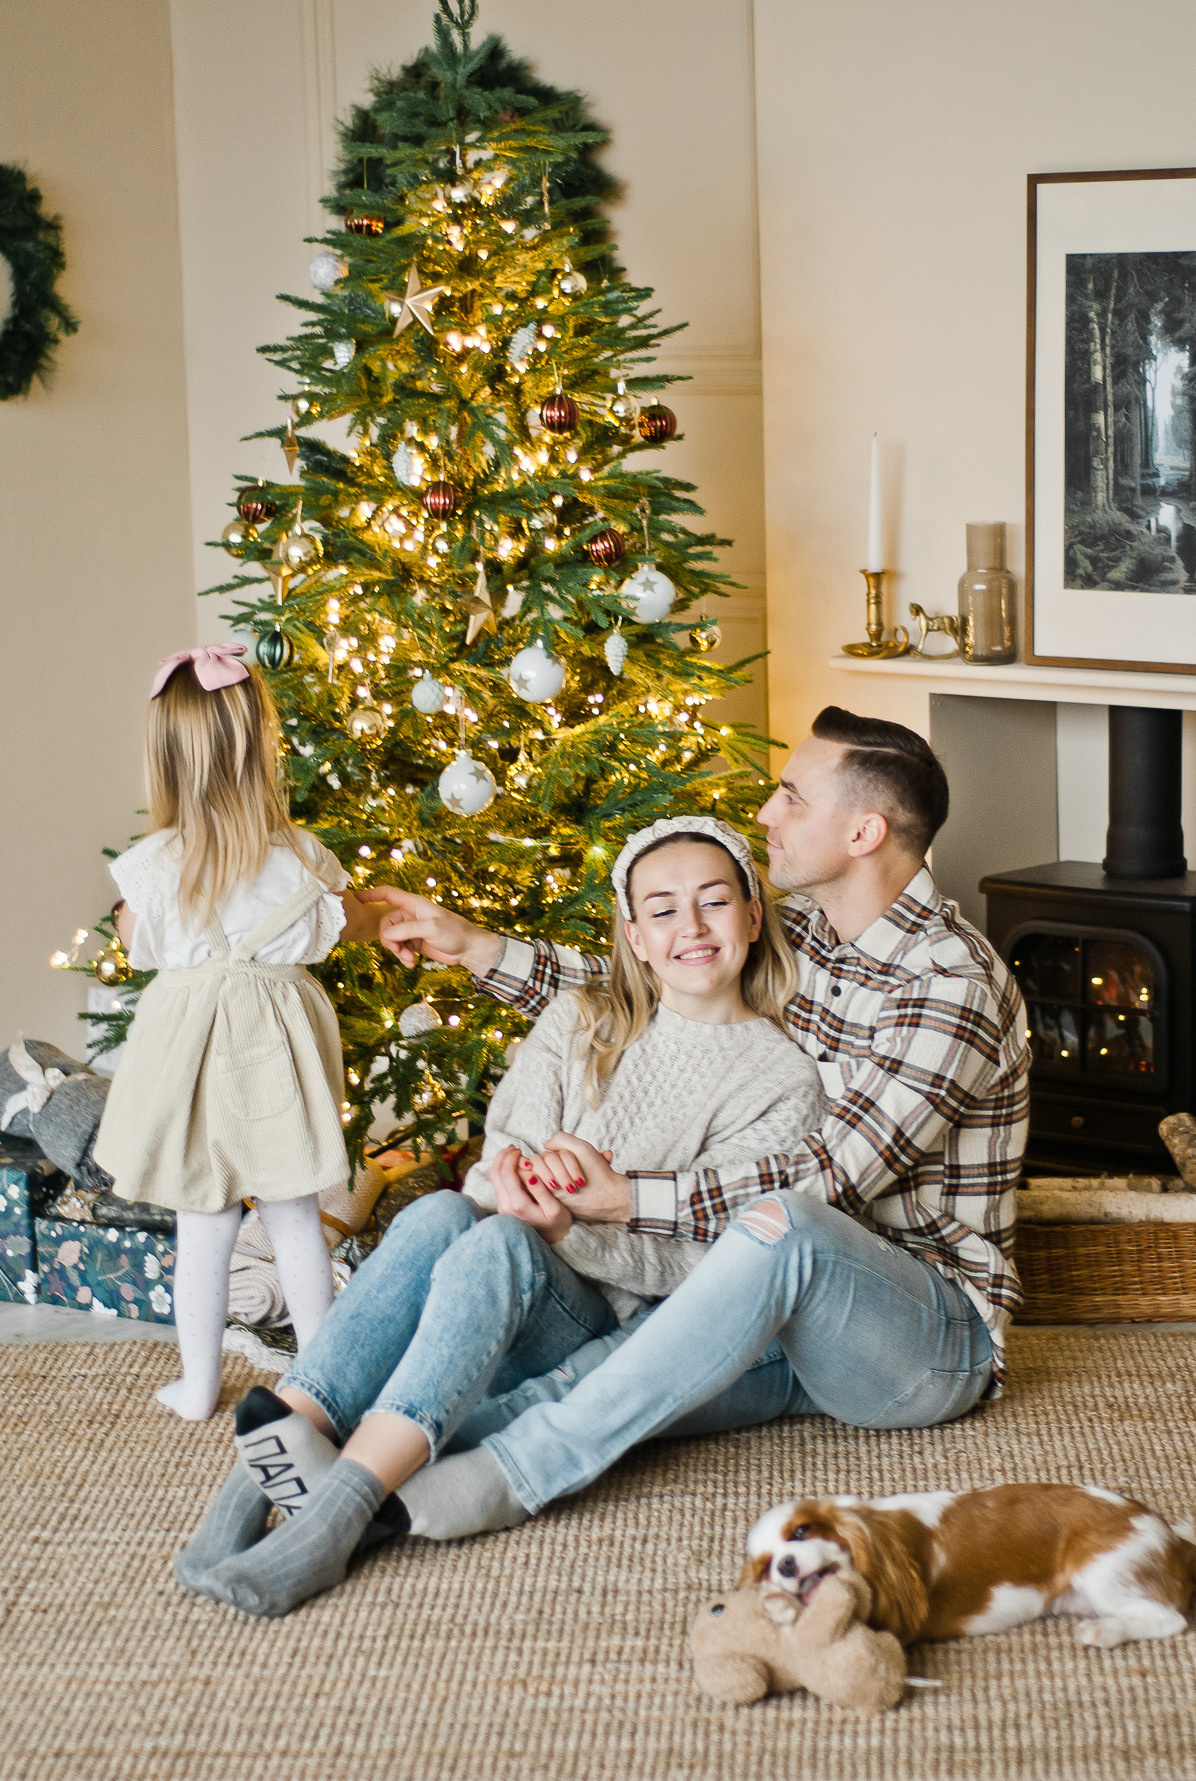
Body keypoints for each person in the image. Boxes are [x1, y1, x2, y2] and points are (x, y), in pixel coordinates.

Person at [352, 705, 1030, 1541]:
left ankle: (522, 1474)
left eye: (790, 798)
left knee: (790, 1224)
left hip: (918, 1337)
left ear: (864, 832)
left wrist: (630, 1199)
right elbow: (663, 969)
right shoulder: (813, 932)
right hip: (769, 1305)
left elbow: (832, 1181)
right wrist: (481, 950)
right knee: (596, 1368)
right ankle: (364, 1483)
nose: (766, 816)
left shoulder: (950, 984)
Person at [173, 818, 826, 1616]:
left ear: (754, 919)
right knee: (443, 1213)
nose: (689, 927)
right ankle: (246, 1495)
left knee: (502, 1245)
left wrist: (564, 1229)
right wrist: (511, 1187)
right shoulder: (582, 1018)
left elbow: (713, 1272)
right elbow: (499, 1155)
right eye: (662, 910)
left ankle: (334, 1520)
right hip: (484, 1303)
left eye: (714, 902)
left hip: (606, 1327)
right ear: (634, 937)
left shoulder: (784, 1080)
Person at [93, 643, 389, 1421]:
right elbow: (348, 927)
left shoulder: (154, 866)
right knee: (294, 1219)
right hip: (272, 1061)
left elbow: (137, 942)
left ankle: (197, 1386)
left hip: (189, 1061)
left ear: (166, 756)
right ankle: (319, 1387)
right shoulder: (301, 856)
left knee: (203, 1224)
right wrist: (379, 917)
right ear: (262, 743)